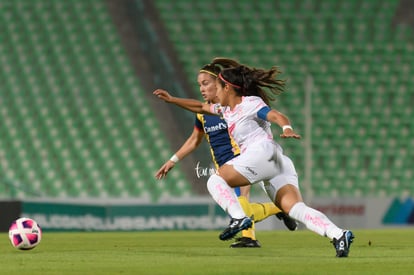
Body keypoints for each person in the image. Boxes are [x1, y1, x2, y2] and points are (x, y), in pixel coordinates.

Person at [153, 60, 355, 257]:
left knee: (215, 180)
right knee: (294, 208)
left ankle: (239, 218)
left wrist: (287, 128)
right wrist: (172, 100)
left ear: (228, 88)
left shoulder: (250, 103)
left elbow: (275, 115)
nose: (214, 93)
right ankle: (339, 235)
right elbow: (200, 107)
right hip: (276, 160)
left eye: (218, 88)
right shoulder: (225, 109)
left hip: (261, 153)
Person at [155, 59, 297, 248]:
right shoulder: (206, 113)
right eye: (199, 85)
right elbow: (194, 139)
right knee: (238, 208)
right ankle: (278, 209)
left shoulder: (233, 107)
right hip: (223, 166)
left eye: (206, 83)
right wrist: (173, 160)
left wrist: (285, 127)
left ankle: (249, 238)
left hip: (243, 160)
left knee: (240, 201)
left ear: (221, 84)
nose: (202, 89)